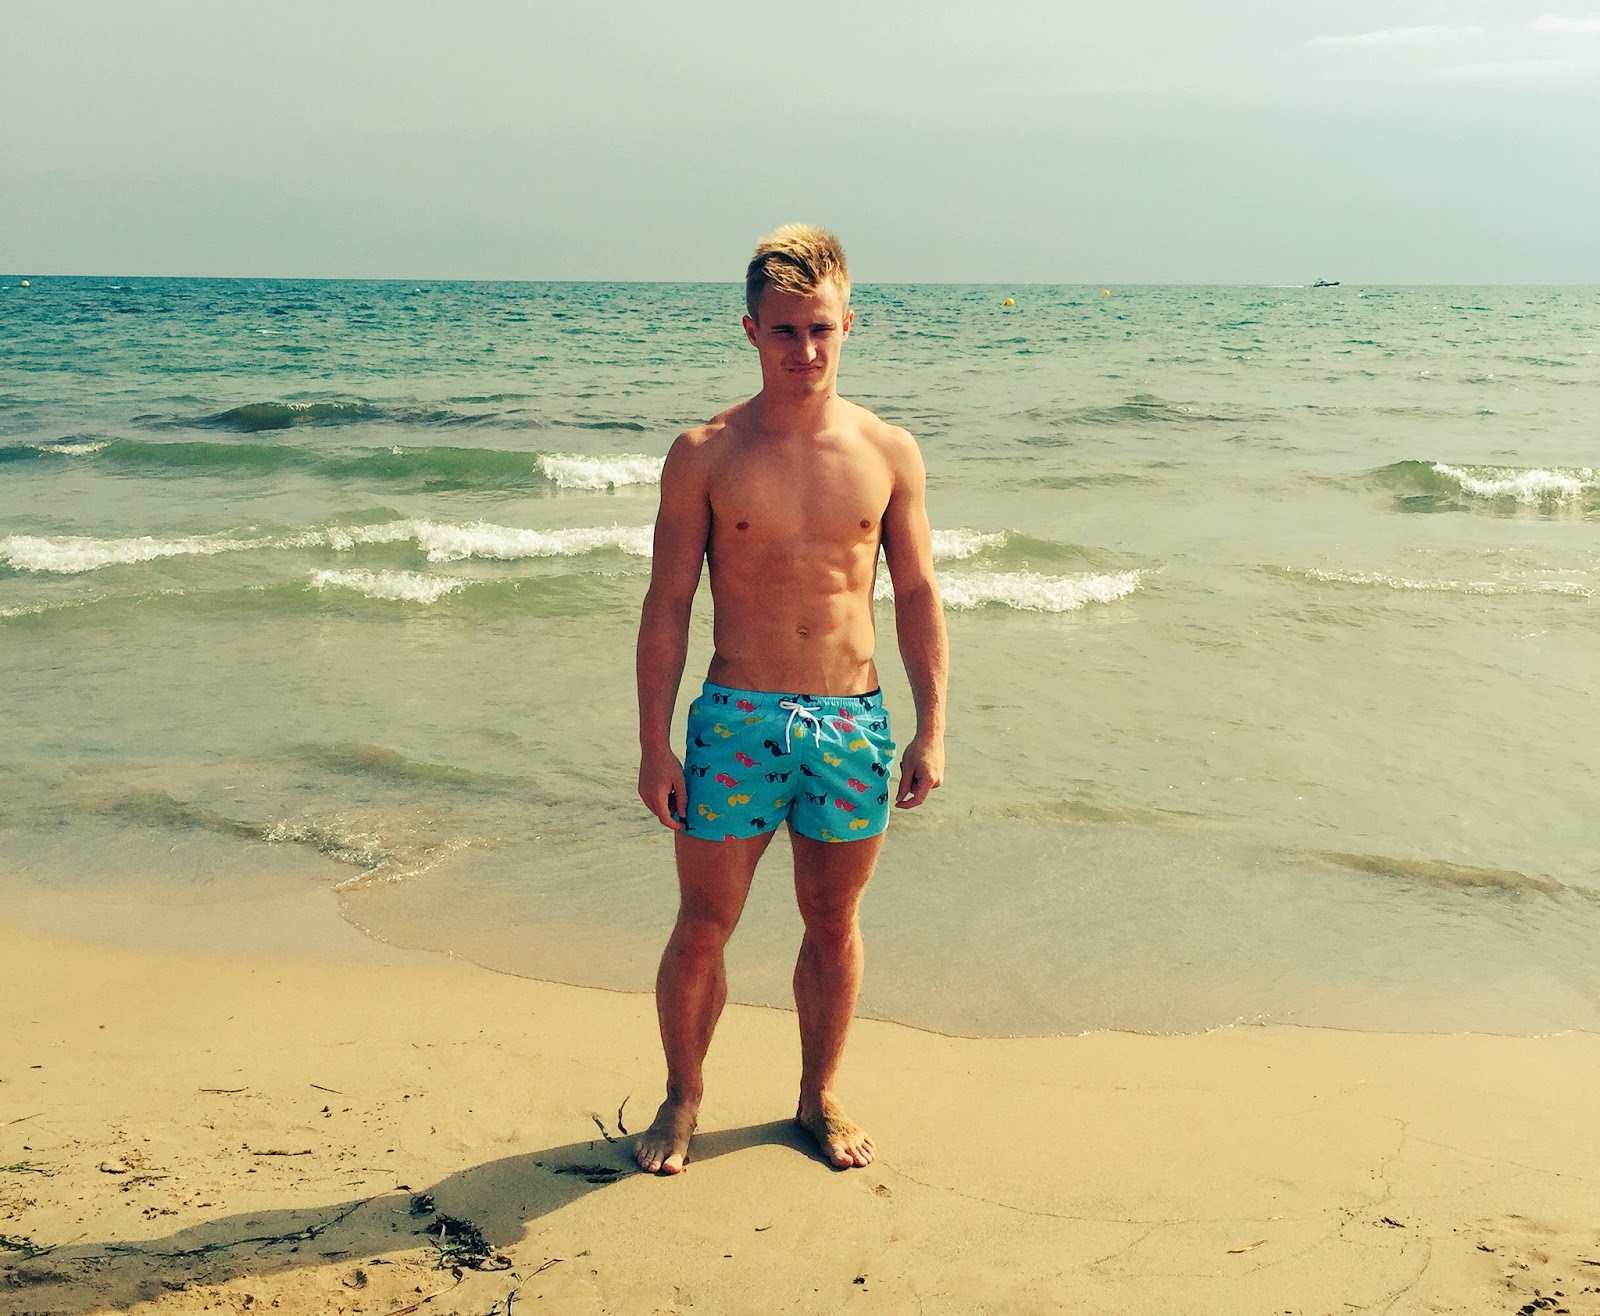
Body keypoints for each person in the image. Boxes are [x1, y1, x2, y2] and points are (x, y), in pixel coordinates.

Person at [633, 224, 948, 1174]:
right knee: (704, 925)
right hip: (736, 719)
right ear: (751, 330)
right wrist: (655, 745)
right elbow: (667, 603)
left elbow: (918, 594)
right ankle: (683, 1097)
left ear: (849, 324)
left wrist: (932, 729)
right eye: (783, 331)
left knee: (834, 924)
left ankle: (819, 1095)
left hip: (853, 722)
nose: (803, 350)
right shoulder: (704, 453)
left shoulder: (889, 452)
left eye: (819, 329)